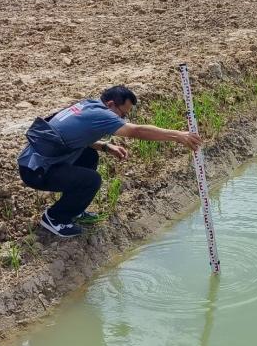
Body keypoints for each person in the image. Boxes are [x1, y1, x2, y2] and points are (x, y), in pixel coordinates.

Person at [18, 85, 201, 238]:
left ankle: (74, 208)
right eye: (122, 114)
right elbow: (137, 131)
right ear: (111, 104)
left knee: (89, 156)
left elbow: (75, 135)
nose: (121, 119)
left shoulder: (88, 105)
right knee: (92, 180)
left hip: (37, 160)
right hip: (36, 171)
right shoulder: (102, 115)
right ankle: (55, 218)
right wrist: (177, 135)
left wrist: (105, 146)